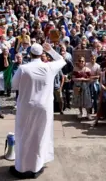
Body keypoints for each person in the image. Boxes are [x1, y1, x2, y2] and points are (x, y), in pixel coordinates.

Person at [10, 43, 66, 178]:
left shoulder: (23, 68)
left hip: (27, 106)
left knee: (23, 135)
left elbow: (13, 85)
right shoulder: (49, 67)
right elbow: (62, 61)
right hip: (44, 108)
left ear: (30, 54)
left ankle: (21, 168)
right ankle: (36, 167)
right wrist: (51, 50)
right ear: (42, 54)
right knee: (40, 135)